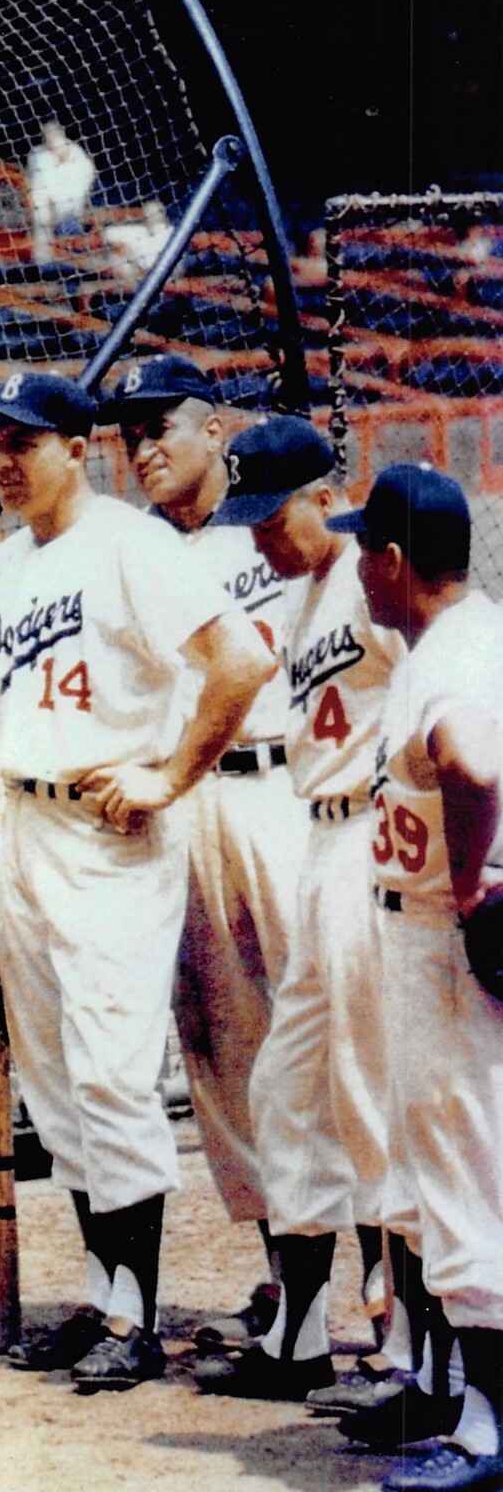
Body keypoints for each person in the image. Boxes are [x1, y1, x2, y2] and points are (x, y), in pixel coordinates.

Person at [0, 369, 273, 1391]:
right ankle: (106, 1298)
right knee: (57, 1086)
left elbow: (240, 661)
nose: (5, 461)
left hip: (112, 837)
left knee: (111, 1074)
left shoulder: (132, 545)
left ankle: (136, 1317)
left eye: (23, 442)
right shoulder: (7, 564)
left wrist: (170, 775)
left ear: (76, 449)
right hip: (29, 826)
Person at [182, 415, 408, 1404]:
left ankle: (411, 1349)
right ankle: (302, 1338)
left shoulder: (376, 583)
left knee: (370, 1092)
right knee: (285, 1090)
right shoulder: (305, 588)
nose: (262, 542)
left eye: (274, 521)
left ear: (325, 496)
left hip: (373, 839)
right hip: (316, 834)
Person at [101, 355, 314, 1351]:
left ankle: (390, 1289)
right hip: (188, 803)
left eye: (161, 430)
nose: (143, 451)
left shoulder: (271, 525)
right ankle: (289, 1279)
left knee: (324, 1030)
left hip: (288, 789)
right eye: (129, 436)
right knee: (224, 1043)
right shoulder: (136, 549)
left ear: (215, 429)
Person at [325, 464, 503, 1492]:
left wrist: (471, 883)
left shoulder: (450, 662)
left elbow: (475, 765)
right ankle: (461, 1404)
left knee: (465, 1180)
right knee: (452, 1175)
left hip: (443, 943)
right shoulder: (473, 636)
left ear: (393, 561)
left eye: (365, 552)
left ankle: (486, 1436)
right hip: (432, 940)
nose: (357, 569)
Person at [26, 120, 95, 265]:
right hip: (45, 201)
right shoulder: (37, 154)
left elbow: (86, 178)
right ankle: (42, 257)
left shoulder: (76, 152)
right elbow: (34, 182)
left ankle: (73, 258)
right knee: (41, 212)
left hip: (71, 202)